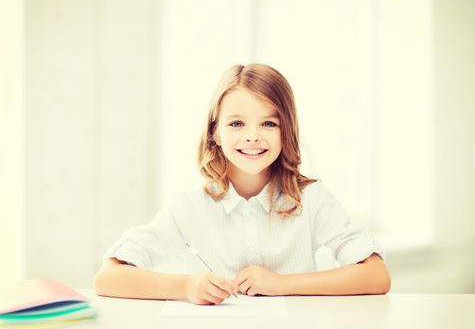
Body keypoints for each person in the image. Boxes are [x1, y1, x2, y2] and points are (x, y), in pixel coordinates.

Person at [94, 63, 391, 305]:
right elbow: (108, 279)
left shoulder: (311, 199)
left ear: (287, 131)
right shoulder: (188, 205)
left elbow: (376, 276)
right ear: (215, 133)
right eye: (237, 124)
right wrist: (187, 286)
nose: (252, 136)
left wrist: (280, 284)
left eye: (269, 123)